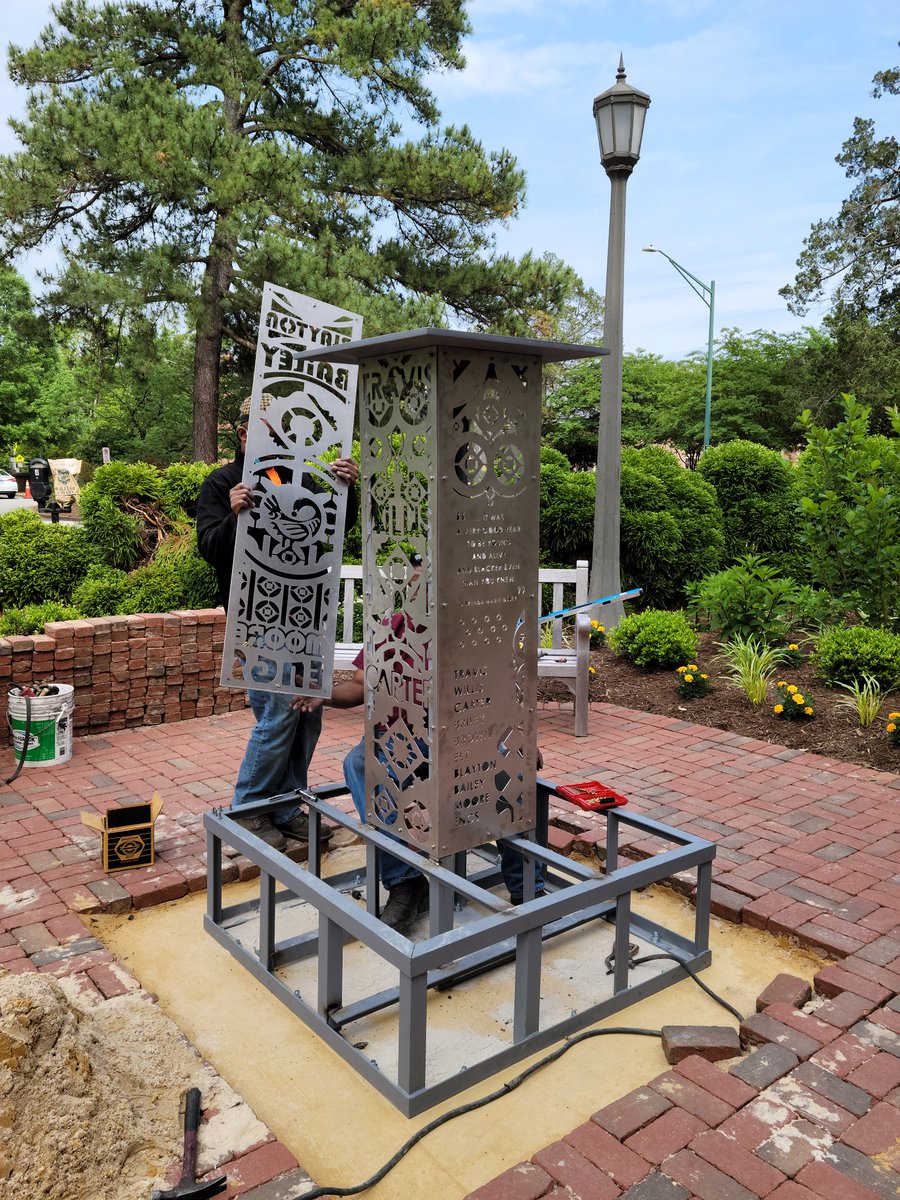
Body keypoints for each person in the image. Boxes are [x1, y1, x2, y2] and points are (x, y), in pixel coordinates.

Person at [292, 563, 545, 932]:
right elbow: (361, 686)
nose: (421, 592)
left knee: (510, 770)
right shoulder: (390, 629)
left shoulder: (475, 629)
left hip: (464, 736)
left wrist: (522, 737)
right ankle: (405, 882)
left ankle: (528, 888)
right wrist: (324, 694)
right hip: (400, 739)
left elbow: (505, 690)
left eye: (430, 584)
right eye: (415, 585)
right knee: (359, 763)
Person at [197, 395, 359, 850]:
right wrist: (234, 516)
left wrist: (347, 488)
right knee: (278, 712)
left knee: (307, 713)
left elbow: (334, 528)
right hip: (258, 616)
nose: (280, 441)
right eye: (269, 433)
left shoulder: (295, 477)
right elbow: (210, 549)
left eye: (282, 434)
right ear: (243, 434)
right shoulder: (223, 483)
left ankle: (286, 806)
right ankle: (248, 809)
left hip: (305, 614)